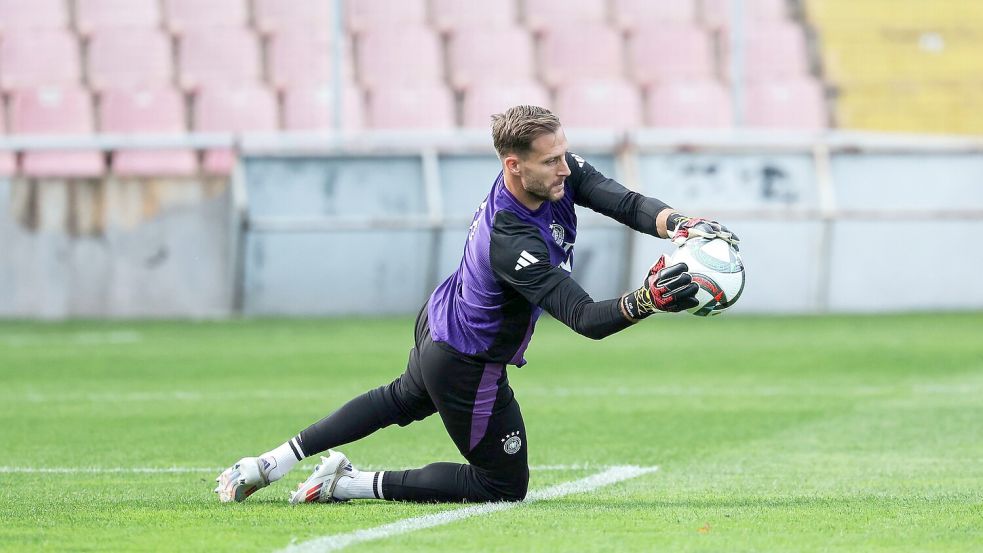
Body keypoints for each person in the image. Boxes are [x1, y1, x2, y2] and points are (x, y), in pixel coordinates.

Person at [214, 105, 738, 504]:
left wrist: (679, 224)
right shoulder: (513, 239)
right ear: (515, 166)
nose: (565, 169)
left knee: (398, 399)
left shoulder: (548, 174)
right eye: (551, 161)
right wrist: (648, 299)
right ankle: (350, 487)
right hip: (468, 360)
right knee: (503, 484)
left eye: (564, 154)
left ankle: (270, 463)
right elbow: (584, 319)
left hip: (443, 320)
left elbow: (621, 201)